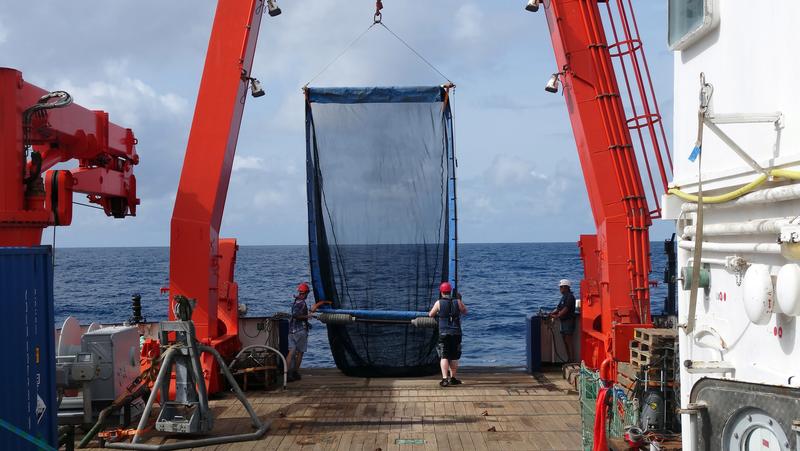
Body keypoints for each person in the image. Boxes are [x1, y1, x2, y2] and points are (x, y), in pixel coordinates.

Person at [428, 281, 467, 387]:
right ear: (450, 292)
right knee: (454, 357)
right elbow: (465, 311)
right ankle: (453, 378)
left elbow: (431, 314)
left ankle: (445, 379)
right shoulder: (457, 301)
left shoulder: (438, 302)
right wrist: (459, 299)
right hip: (456, 332)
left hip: (444, 332)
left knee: (444, 356)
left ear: (441, 292)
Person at [287, 282, 311, 382]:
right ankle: (295, 373)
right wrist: (307, 316)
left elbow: (293, 315)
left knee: (291, 353)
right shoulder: (302, 303)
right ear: (306, 293)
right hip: (300, 331)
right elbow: (296, 315)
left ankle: (287, 374)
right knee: (300, 352)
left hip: (291, 331)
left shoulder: (296, 301)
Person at [550, 278, 576, 362]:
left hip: (568, 321)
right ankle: (568, 359)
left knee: (568, 341)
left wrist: (557, 316)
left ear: (566, 287)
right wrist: (550, 314)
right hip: (563, 321)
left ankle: (571, 360)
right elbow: (558, 308)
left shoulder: (570, 297)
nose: (560, 289)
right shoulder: (563, 297)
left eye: (561, 287)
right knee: (565, 340)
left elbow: (566, 309)